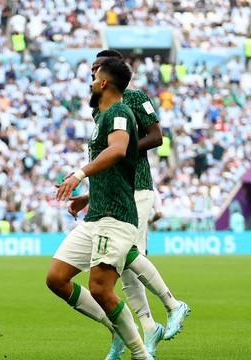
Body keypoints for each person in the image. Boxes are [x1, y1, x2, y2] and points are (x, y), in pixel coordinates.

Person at [45, 58, 152, 360]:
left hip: (116, 217)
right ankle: (118, 327)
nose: (90, 83)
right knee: (56, 278)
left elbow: (118, 150)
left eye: (94, 79)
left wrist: (79, 175)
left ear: (104, 83)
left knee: (101, 289)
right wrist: (88, 197)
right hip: (96, 215)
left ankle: (141, 355)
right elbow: (113, 170)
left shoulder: (119, 112)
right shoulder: (102, 116)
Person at [91, 50, 190, 359]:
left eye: (97, 70)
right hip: (112, 192)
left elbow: (157, 136)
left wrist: (127, 148)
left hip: (137, 187)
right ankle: (145, 329)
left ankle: (168, 308)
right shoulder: (99, 109)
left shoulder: (134, 99)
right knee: (119, 266)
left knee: (124, 258)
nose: (93, 76)